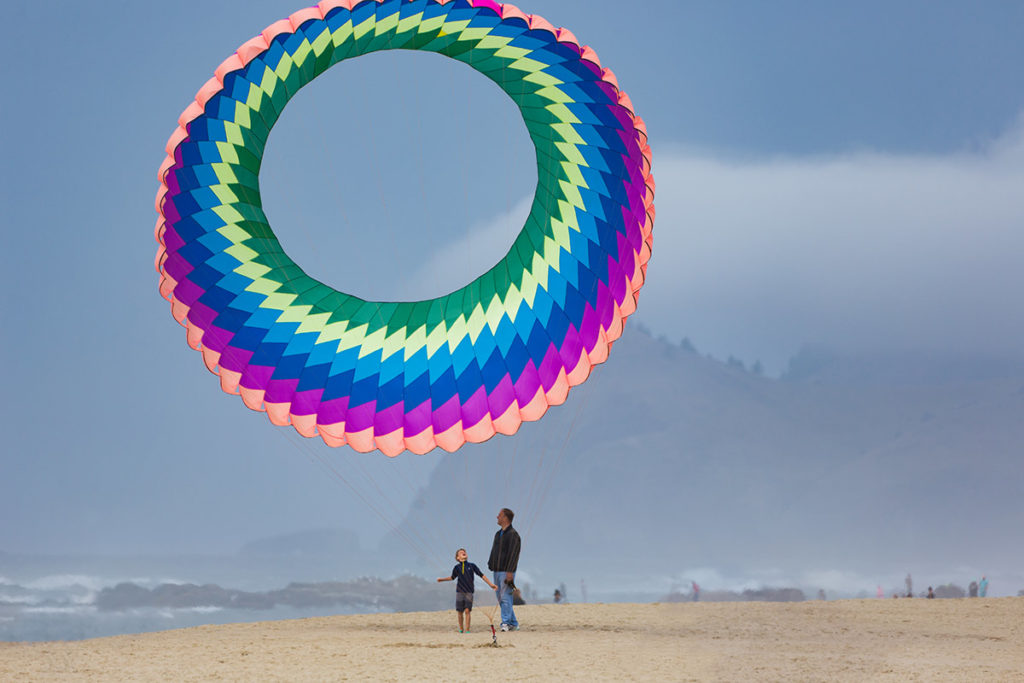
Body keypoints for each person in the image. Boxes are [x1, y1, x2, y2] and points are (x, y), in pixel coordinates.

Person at [437, 548, 496, 633]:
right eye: (461, 553)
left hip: (469, 592)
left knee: (467, 610)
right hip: (459, 592)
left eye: (464, 552)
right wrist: (441, 580)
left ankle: (467, 630)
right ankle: (461, 629)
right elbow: (452, 577)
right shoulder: (457, 567)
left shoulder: (472, 566)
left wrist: (491, 585)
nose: (463, 553)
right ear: (458, 558)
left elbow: (481, 575)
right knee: (460, 611)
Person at [488, 507, 521, 632]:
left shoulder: (513, 535)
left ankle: (505, 623)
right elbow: (494, 551)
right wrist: (490, 563)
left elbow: (514, 554)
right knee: (501, 598)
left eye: (499, 515)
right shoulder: (498, 534)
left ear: (505, 518)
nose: (497, 517)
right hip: (496, 570)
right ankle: (513, 623)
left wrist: (510, 572)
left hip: (506, 571)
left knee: (506, 597)